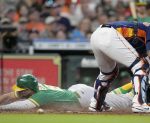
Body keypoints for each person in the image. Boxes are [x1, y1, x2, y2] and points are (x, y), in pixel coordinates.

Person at [89, 21, 150, 113]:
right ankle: (139, 103)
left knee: (108, 73)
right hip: (110, 34)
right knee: (141, 66)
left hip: (97, 35)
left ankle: (96, 104)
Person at [0, 74, 133, 112]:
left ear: (28, 90)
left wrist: (1, 108)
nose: (19, 93)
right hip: (77, 92)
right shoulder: (32, 89)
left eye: (21, 91)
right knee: (113, 97)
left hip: (83, 97)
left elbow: (22, 106)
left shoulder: (40, 95)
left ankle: (138, 83)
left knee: (125, 102)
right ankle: (135, 83)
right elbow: (10, 96)